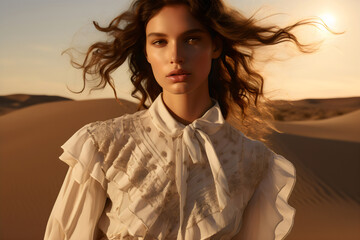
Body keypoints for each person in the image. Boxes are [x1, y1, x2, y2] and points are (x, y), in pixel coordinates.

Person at [44, 0, 325, 239]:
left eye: (191, 39)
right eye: (160, 42)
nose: (175, 56)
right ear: (146, 51)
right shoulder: (103, 145)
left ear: (214, 46)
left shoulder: (253, 161)